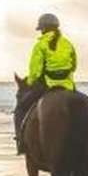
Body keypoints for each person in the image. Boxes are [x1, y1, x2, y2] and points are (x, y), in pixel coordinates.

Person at [14, 12, 78, 153]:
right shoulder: (68, 44)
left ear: (43, 29)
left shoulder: (41, 45)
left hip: (46, 86)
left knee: (20, 109)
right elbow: (74, 66)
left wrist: (30, 82)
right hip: (68, 85)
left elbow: (35, 71)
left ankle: (21, 143)